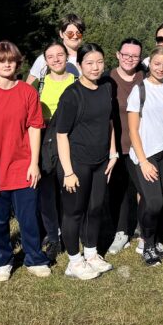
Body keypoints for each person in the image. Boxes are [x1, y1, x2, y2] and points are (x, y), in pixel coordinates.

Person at [0, 41, 50, 282]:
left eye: (11, 60)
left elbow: (35, 128)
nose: (6, 64)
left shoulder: (28, 93)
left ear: (18, 63)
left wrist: (34, 163)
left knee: (28, 218)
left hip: (22, 167)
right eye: (1, 60)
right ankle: (2, 261)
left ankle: (35, 258)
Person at [55, 43, 119, 280]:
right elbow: (61, 134)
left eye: (99, 62)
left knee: (95, 208)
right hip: (76, 163)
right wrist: (68, 172)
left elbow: (109, 122)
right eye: (89, 63)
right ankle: (74, 261)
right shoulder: (71, 95)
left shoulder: (106, 88)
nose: (95, 67)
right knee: (74, 212)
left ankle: (91, 254)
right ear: (79, 65)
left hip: (101, 161)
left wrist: (113, 153)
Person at [128, 46, 163, 266]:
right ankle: (148, 245)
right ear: (149, 64)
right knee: (153, 202)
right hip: (145, 154)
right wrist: (143, 162)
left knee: (160, 200)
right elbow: (133, 130)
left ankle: (150, 240)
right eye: (157, 64)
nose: (161, 68)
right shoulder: (139, 91)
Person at [32, 40, 76, 261]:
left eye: (60, 55)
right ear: (45, 61)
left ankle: (70, 232)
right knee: (47, 192)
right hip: (44, 140)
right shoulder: (38, 84)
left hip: (71, 139)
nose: (56, 59)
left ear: (67, 56)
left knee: (68, 189)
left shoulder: (77, 82)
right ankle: (52, 236)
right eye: (51, 56)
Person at [105, 37, 143, 255]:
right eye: (126, 54)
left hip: (142, 146)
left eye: (135, 56)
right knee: (117, 191)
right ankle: (121, 232)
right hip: (116, 146)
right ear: (118, 55)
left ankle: (143, 227)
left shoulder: (144, 77)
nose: (130, 59)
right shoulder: (107, 79)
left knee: (144, 189)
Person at [25, 13, 83, 84]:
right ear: (61, 34)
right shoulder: (45, 58)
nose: (75, 36)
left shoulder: (87, 57)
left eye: (78, 33)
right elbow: (28, 87)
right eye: (70, 33)